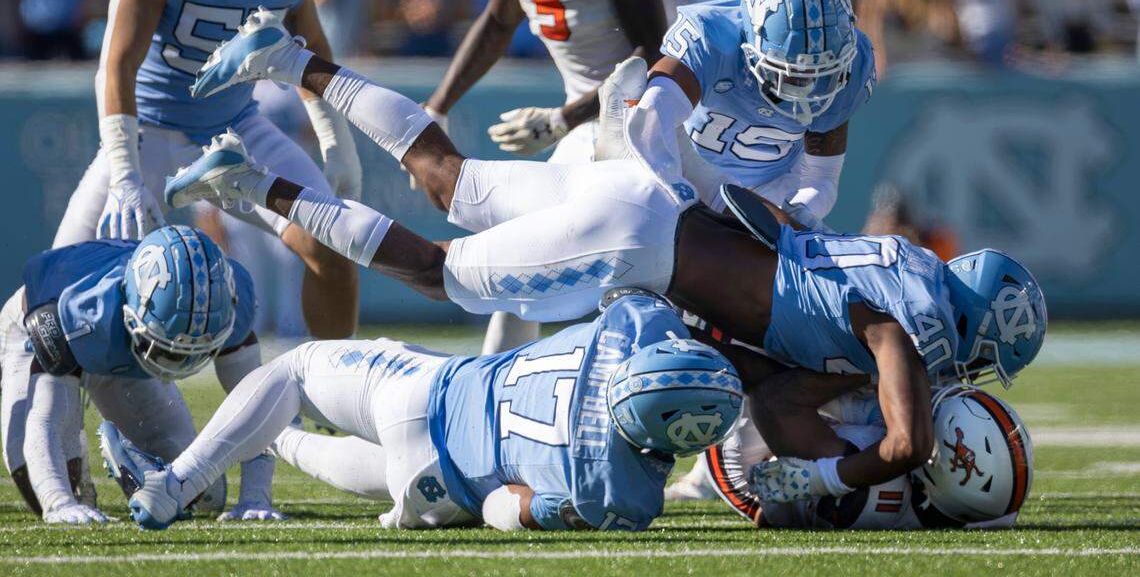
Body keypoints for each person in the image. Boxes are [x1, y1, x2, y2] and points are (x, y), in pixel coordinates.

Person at [174, 17, 1047, 496]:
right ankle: (261, 191)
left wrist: (813, 468)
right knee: (439, 270)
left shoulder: (889, 274)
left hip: (645, 199)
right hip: (641, 238)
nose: (965, 370)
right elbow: (904, 438)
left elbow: (781, 395)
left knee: (452, 180)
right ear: (964, 325)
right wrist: (842, 477)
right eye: (976, 356)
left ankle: (291, 58)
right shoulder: (902, 324)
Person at [99, 291, 743, 531]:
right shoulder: (624, 495)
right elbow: (504, 509)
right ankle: (276, 444)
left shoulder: (629, 328)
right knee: (387, 475)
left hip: (428, 392)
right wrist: (546, 509)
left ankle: (177, 483)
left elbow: (601, 286)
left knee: (291, 369)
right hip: (439, 496)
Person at [52, 0, 360, 339]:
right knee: (58, 292)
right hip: (148, 131)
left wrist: (335, 141)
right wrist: (125, 174)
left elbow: (311, 47)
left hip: (235, 127)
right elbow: (117, 64)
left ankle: (335, 389)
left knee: (335, 245)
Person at [422, 0, 669, 354]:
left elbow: (653, 55)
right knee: (519, 264)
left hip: (648, 120)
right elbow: (500, 19)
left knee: (668, 274)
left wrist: (562, 119)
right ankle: (491, 394)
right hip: (583, 123)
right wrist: (438, 105)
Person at [1, 226, 279, 525]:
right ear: (132, 311)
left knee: (204, 496)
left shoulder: (226, 299)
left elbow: (260, 409)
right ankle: (83, 457)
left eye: (199, 349)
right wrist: (58, 502)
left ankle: (134, 462)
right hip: (47, 335)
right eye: (171, 350)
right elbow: (44, 419)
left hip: (125, 349)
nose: (184, 363)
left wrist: (255, 496)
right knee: (48, 484)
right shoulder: (80, 314)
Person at [613, 0, 876, 232]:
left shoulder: (854, 63)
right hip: (684, 175)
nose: (811, 88)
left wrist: (798, 214)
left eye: (824, 73)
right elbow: (650, 121)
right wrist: (708, 196)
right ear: (750, 48)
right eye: (794, 74)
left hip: (775, 189)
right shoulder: (712, 38)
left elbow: (821, 177)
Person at [707, 385, 1032, 530]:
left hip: (745, 463)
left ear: (937, 466)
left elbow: (773, 398)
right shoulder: (988, 507)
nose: (930, 397)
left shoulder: (867, 455)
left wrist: (863, 368)